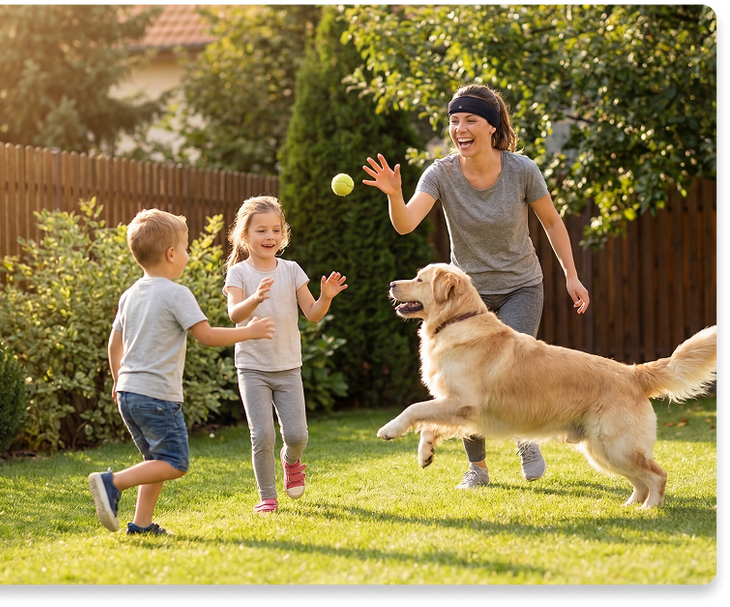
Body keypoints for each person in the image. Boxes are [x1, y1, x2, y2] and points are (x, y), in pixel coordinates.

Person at [362, 83, 590, 489]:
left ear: (491, 127)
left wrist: (570, 275)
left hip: (521, 284)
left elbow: (552, 223)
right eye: (454, 121)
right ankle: (478, 469)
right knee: (463, 382)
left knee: (512, 371)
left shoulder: (522, 170)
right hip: (463, 298)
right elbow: (405, 223)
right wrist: (394, 196)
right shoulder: (441, 173)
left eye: (469, 120)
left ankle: (524, 436)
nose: (460, 129)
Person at [88, 209, 275, 535]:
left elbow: (113, 344)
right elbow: (207, 336)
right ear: (171, 254)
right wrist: (250, 332)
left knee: (155, 460)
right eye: (186, 248)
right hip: (157, 395)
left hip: (128, 394)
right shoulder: (177, 294)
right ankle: (112, 482)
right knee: (174, 463)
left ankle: (142, 525)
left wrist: (119, 380)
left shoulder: (130, 294)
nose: (187, 255)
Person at [223, 196, 348, 513]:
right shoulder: (238, 274)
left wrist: (325, 297)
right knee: (262, 435)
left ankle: (291, 461)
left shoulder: (291, 270)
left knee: (297, 435)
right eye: (261, 230)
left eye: (276, 230)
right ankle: (267, 496)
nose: (269, 237)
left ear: (284, 235)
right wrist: (254, 299)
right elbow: (235, 315)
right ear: (244, 236)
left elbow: (313, 314)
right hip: (252, 368)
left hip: (288, 367)